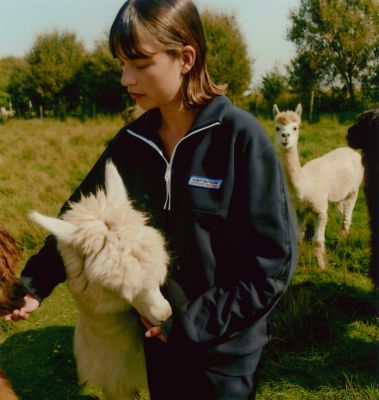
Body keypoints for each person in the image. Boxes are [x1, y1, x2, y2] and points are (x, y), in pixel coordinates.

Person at [5, 0, 297, 398]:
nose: (126, 78)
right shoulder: (131, 144)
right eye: (122, 64)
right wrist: (35, 285)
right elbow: (79, 223)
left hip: (224, 356)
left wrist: (191, 323)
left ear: (185, 58)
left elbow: (272, 265)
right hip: (156, 346)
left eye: (140, 64)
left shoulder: (240, 139)